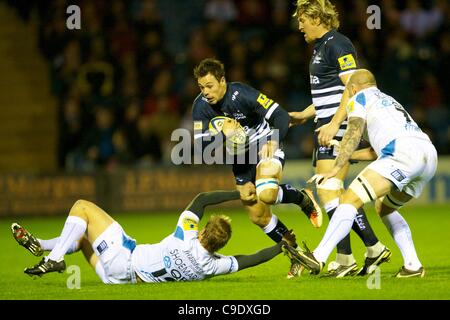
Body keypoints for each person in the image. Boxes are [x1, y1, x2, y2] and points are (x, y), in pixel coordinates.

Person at [284, 69, 438, 278]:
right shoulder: (388, 100)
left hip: (402, 153)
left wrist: (336, 168)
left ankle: (318, 256)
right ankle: (412, 265)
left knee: (349, 200)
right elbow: (375, 151)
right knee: (385, 207)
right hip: (428, 155)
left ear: (352, 89)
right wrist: (346, 153)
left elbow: (354, 131)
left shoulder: (359, 98)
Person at [192, 58, 322, 278]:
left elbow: (280, 114)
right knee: (258, 216)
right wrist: (222, 134)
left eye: (210, 86)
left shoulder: (241, 94)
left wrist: (274, 139)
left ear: (222, 81)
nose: (205, 92)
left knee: (267, 193)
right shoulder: (200, 107)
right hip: (241, 160)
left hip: (265, 147)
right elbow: (200, 144)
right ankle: (297, 254)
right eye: (201, 87)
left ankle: (302, 198)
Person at [288, 0, 390, 277]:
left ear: (316, 17)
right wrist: (307, 114)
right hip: (327, 124)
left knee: (329, 188)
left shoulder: (338, 44)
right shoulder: (321, 47)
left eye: (302, 20)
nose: (299, 26)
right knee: (333, 191)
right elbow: (332, 93)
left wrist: (334, 124)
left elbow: (354, 88)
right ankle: (361, 251)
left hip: (341, 127)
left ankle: (356, 254)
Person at [13, 190, 295, 283]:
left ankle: (52, 257)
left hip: (123, 257)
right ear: (222, 245)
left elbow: (201, 199)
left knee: (81, 208)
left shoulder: (186, 235)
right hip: (117, 280)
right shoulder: (212, 267)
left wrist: (239, 194)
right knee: (83, 234)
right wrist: (283, 246)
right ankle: (44, 248)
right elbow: (248, 259)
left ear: (204, 231)